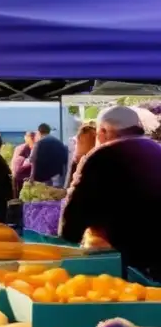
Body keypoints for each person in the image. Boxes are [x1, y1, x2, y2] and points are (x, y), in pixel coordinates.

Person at [61, 106, 161, 277]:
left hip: (117, 258)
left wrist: (68, 241)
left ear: (103, 131)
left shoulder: (102, 157)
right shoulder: (157, 151)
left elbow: (77, 212)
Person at [66, 124, 97, 189]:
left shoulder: (97, 162)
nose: (78, 146)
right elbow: (70, 187)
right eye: (79, 142)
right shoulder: (76, 162)